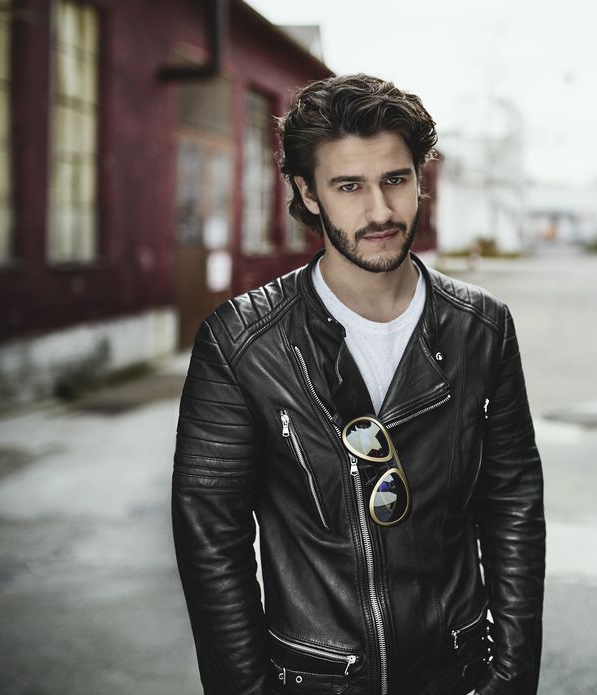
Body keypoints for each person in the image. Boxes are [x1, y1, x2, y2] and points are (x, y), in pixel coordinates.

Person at [172, 74, 545, 695]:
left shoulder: (482, 327)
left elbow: (513, 504)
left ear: (420, 179)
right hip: (315, 678)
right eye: (349, 186)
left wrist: (512, 675)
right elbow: (212, 539)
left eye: (395, 179)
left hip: (456, 672)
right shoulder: (241, 343)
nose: (380, 211)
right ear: (307, 192)